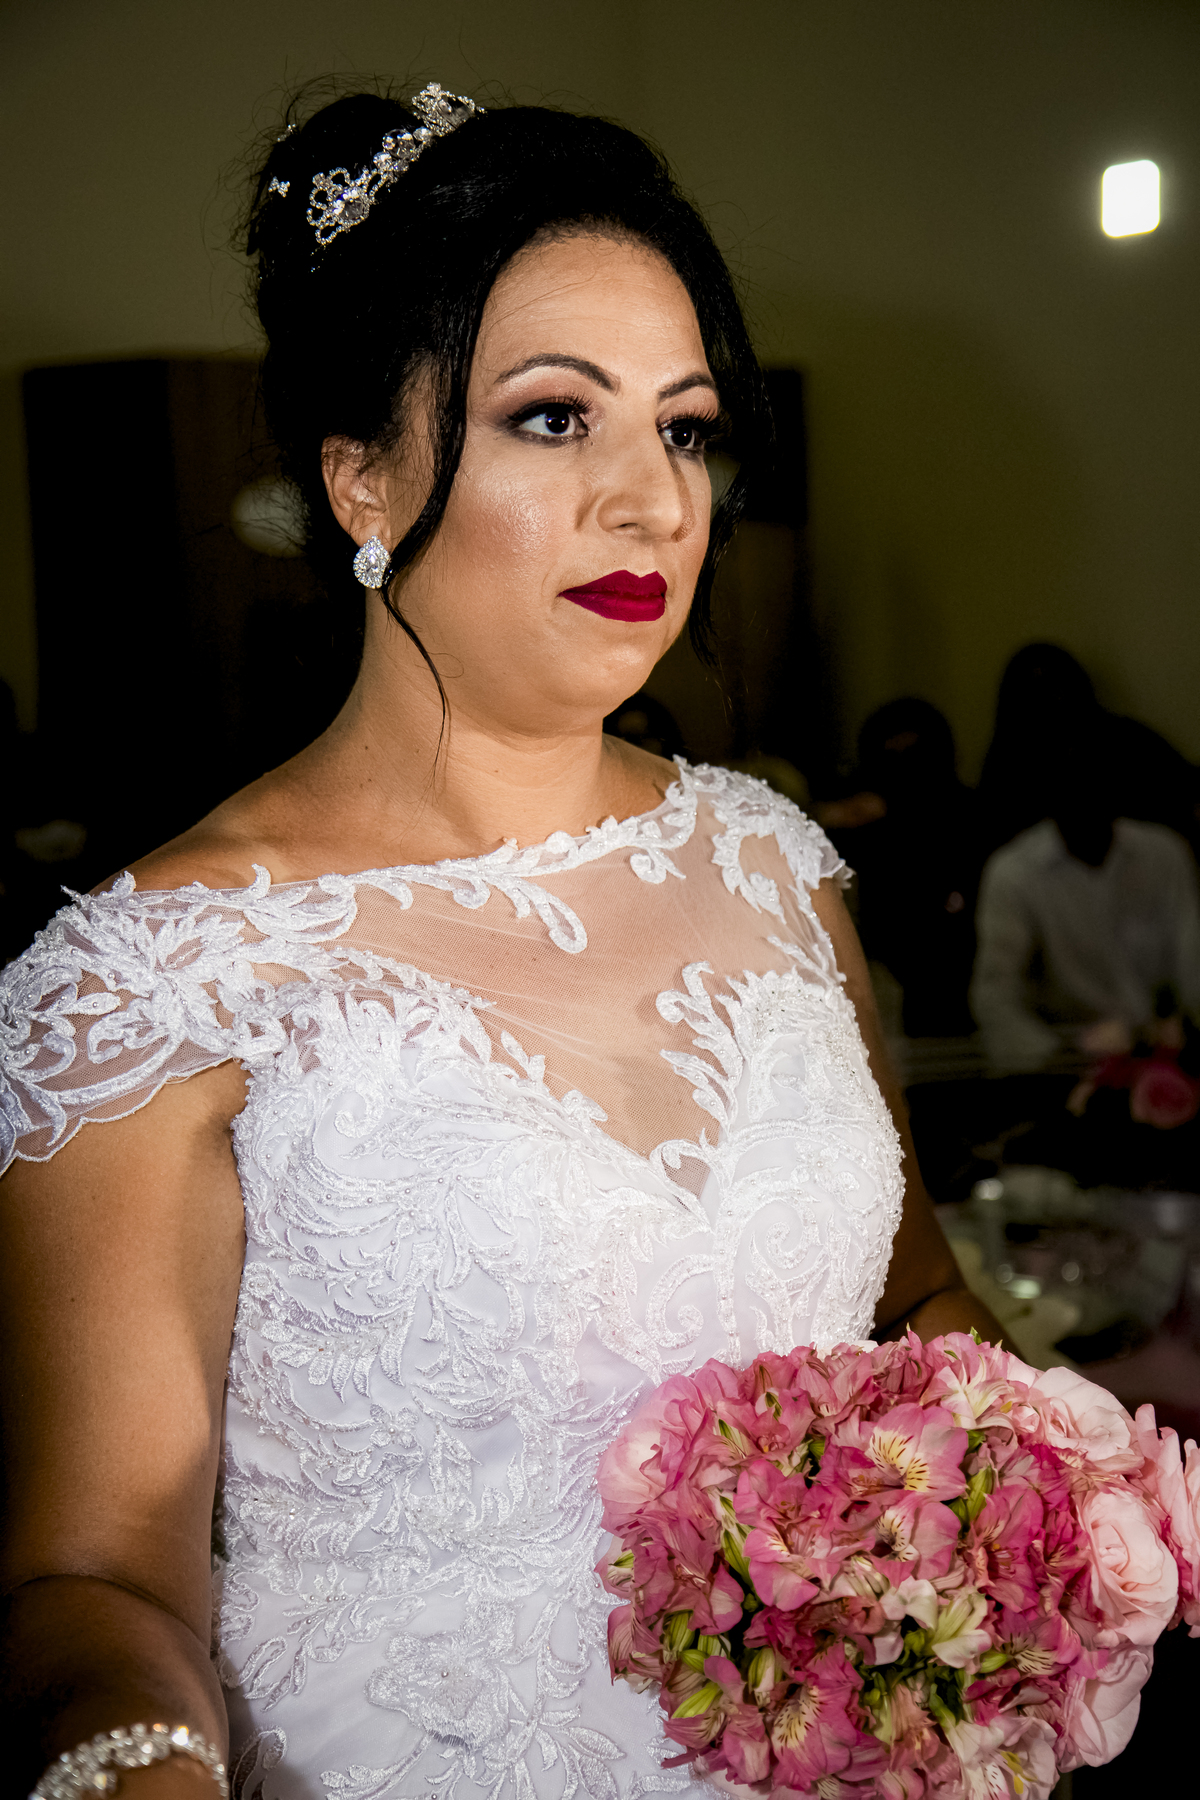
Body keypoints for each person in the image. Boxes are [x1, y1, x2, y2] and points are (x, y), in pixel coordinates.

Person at [0, 83, 1000, 1800]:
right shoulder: (156, 984)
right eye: (554, 418)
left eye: (686, 430)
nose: (653, 503)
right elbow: (95, 1579)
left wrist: (1053, 1523)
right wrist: (144, 1769)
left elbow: (915, 1299)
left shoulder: (774, 868)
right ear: (360, 477)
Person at [972, 733, 1200, 1072]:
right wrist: (1052, 1059)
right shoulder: (1015, 874)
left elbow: (1193, 964)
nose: (1084, 798)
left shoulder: (1162, 853)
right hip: (1071, 1064)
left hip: (1167, 1055)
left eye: (1095, 782)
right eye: (1070, 785)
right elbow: (995, 997)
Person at [816, 699, 982, 1036]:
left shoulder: (972, 825)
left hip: (964, 997)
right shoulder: (858, 830)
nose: (909, 774)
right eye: (892, 760)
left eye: (919, 758)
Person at [977, 641, 1199, 859]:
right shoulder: (1005, 769)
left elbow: (1184, 793)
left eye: (1058, 691)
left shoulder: (1129, 743)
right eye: (1035, 695)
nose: (1052, 704)